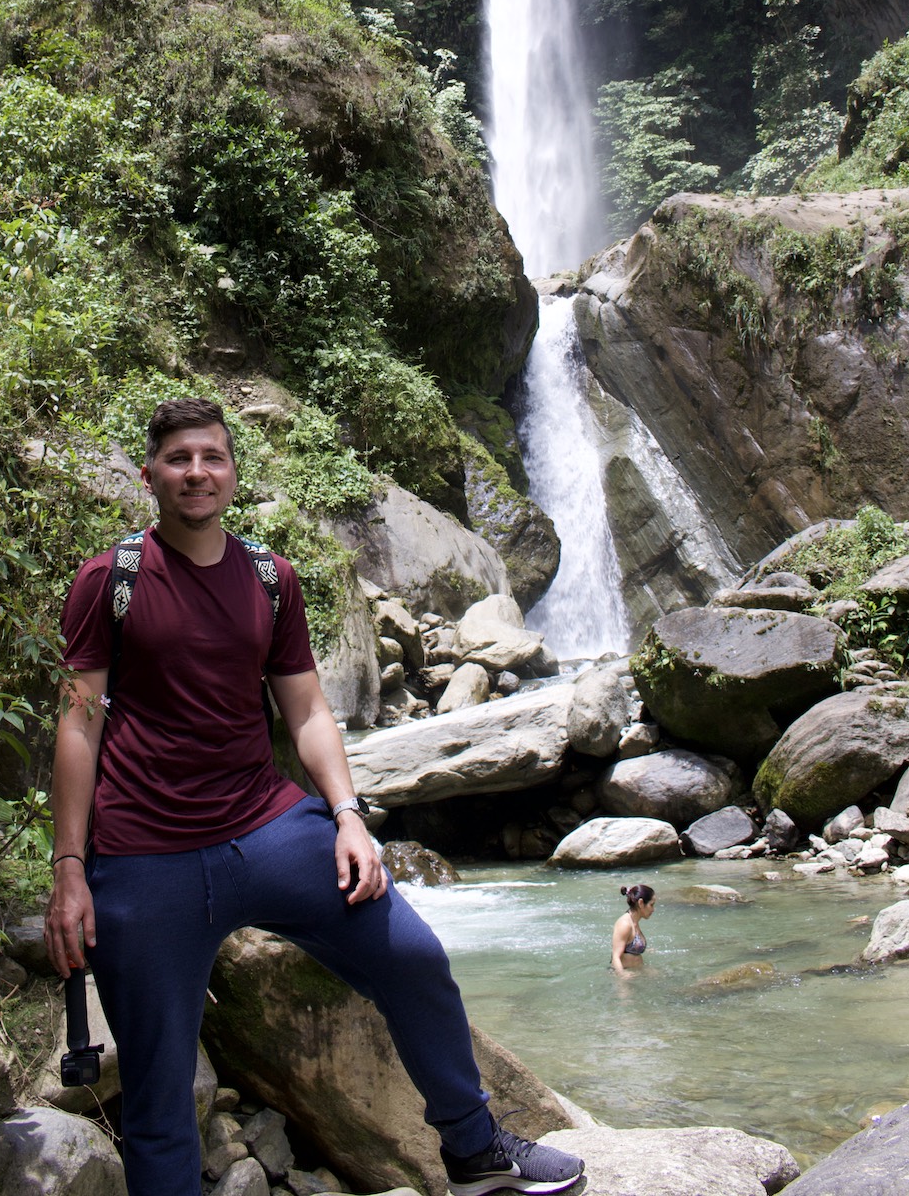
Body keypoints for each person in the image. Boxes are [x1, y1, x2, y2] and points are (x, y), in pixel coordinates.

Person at [45, 397, 583, 1196]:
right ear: (152, 474)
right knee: (159, 1097)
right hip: (143, 851)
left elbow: (306, 709)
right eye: (180, 458)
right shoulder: (109, 580)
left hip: (264, 828)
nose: (198, 472)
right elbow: (78, 722)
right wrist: (69, 870)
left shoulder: (270, 577)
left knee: (413, 956)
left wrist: (348, 816)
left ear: (232, 471)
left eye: (213, 458)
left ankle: (474, 1151)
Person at [611, 883, 655, 974]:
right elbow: (615, 957)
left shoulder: (634, 922)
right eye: (651, 905)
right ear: (641, 903)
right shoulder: (624, 924)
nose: (653, 909)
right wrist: (623, 977)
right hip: (624, 976)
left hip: (636, 973)